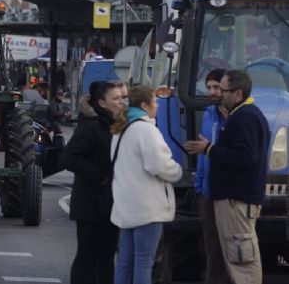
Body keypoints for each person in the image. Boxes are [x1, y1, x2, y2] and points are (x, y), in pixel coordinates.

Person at [185, 70, 269, 284]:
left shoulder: (245, 117)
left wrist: (209, 149)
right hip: (232, 199)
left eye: (223, 90)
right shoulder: (241, 116)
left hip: (237, 202)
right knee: (234, 256)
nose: (218, 94)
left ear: (238, 93)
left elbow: (245, 157)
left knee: (242, 259)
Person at [111, 85, 183, 284]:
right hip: (146, 207)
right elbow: (158, 164)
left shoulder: (120, 130)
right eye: (155, 101)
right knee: (144, 261)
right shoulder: (146, 129)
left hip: (125, 206)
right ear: (144, 105)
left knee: (125, 262)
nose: (157, 105)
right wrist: (178, 172)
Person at [62, 80, 125, 284]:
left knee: (106, 257)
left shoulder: (116, 125)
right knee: (87, 256)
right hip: (90, 203)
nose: (121, 102)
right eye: (115, 99)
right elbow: (70, 157)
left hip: (110, 203)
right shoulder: (90, 126)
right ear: (102, 103)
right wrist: (100, 176)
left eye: (122, 98)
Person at [190, 69, 231, 284]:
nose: (212, 92)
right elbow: (202, 158)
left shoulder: (237, 118)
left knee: (230, 249)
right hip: (207, 192)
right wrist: (198, 187)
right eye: (209, 87)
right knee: (212, 249)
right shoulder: (208, 114)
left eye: (216, 87)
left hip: (228, 194)